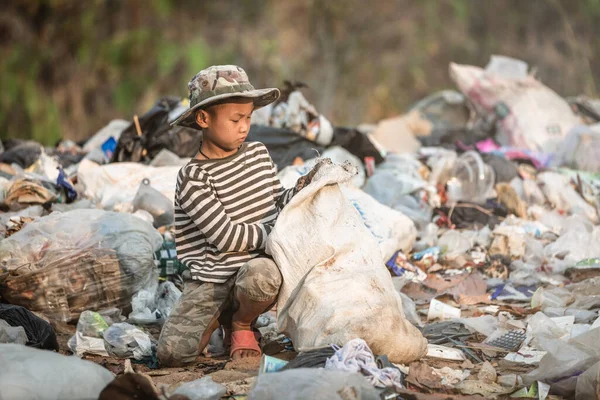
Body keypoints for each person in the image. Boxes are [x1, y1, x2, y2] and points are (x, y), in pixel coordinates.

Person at [157, 65, 320, 366]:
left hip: (254, 268)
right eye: (235, 119)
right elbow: (226, 237)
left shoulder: (258, 153)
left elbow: (276, 200)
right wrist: (276, 228)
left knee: (264, 278)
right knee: (171, 356)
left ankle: (242, 323)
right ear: (204, 119)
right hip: (212, 277)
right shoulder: (193, 177)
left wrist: (300, 191)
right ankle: (221, 314)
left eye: (248, 118)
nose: (244, 127)